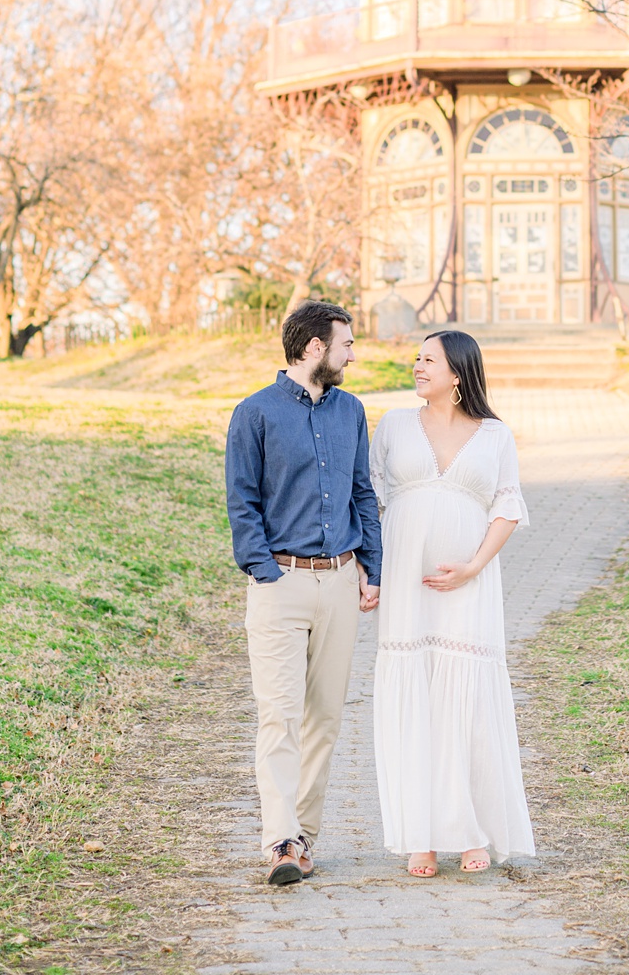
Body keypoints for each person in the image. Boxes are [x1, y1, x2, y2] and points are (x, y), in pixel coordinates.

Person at [224, 300, 381, 886]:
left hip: (341, 582)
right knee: (279, 716)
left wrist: (373, 567)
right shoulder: (255, 413)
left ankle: (304, 837)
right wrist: (265, 570)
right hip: (280, 585)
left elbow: (362, 492)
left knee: (326, 718)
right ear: (314, 347)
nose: (352, 354)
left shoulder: (351, 412)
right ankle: (280, 839)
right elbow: (242, 500)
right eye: (345, 344)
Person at [370, 329, 535, 875]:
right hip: (406, 588)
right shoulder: (393, 425)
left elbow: (507, 506)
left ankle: (472, 832)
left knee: (467, 705)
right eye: (416, 358)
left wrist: (473, 566)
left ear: (458, 374)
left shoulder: (494, 435)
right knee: (415, 702)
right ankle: (420, 835)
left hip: (469, 586)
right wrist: (369, 575)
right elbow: (368, 498)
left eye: (429, 360)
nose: (417, 366)